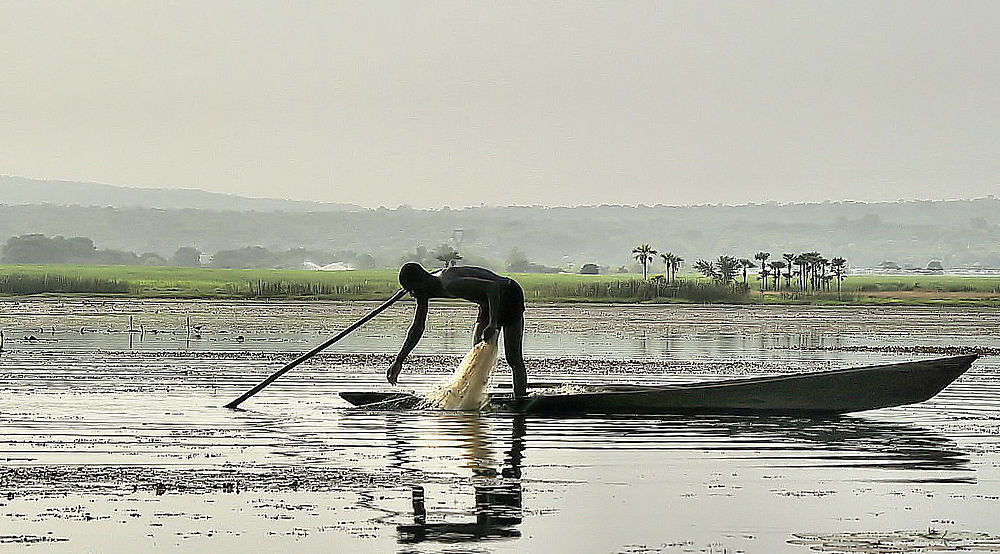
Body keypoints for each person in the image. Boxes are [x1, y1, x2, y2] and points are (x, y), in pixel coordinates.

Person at [387, 262, 527, 398]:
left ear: (420, 283)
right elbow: (418, 327)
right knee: (477, 353)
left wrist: (492, 323)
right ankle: (474, 398)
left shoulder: (449, 283)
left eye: (412, 290)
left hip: (508, 293)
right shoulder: (423, 290)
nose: (413, 295)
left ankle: (520, 399)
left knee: (513, 358)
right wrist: (399, 360)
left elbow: (492, 287)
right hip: (487, 302)